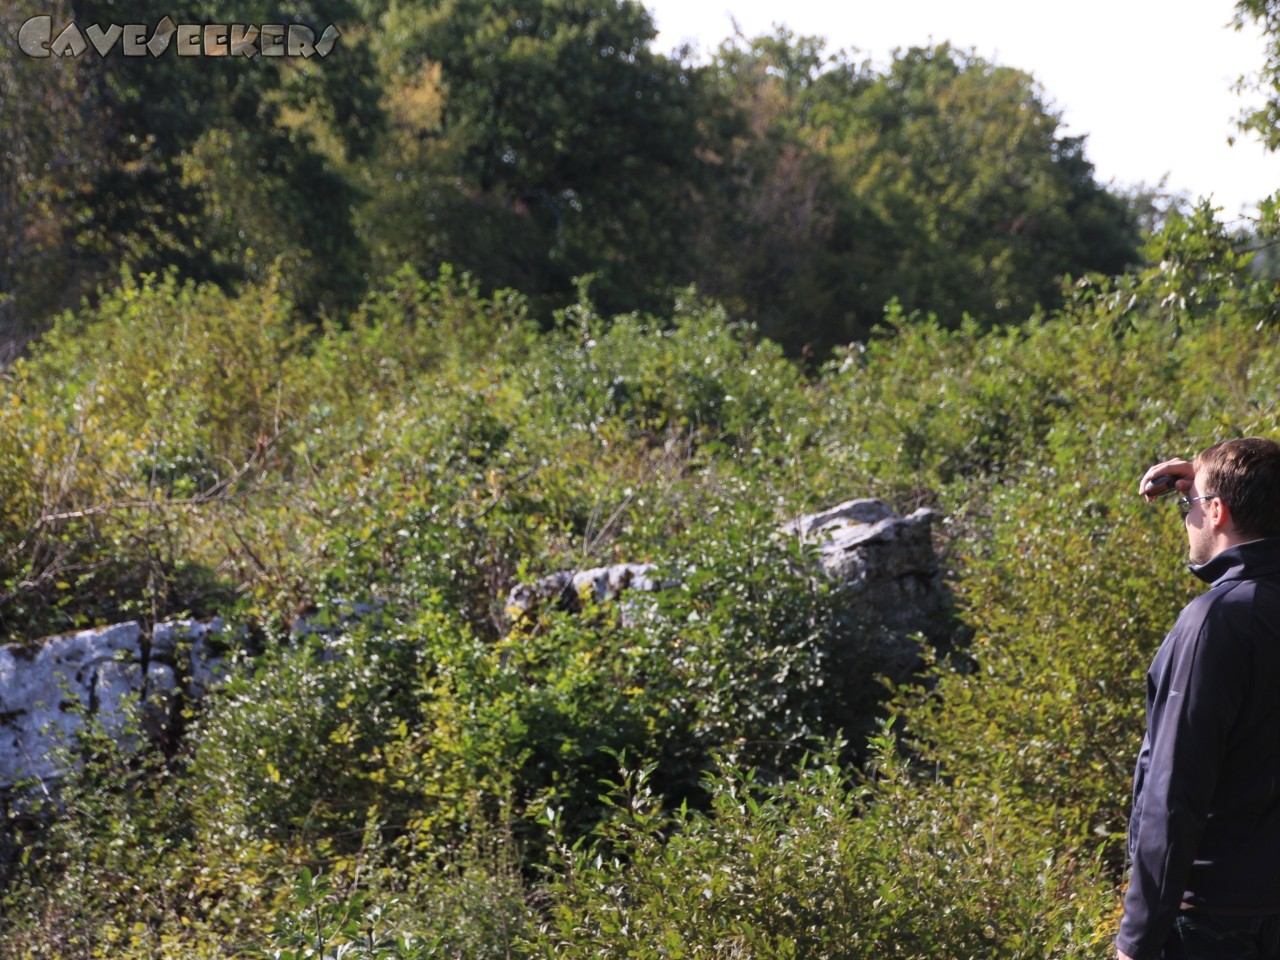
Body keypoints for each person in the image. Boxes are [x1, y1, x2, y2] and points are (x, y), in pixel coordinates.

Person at [1118, 437, 1280, 960]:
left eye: (1189, 506)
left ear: (1216, 511)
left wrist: (1136, 941)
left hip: (1215, 924)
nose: (1183, 518)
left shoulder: (1217, 621)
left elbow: (1174, 795)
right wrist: (1222, 480)